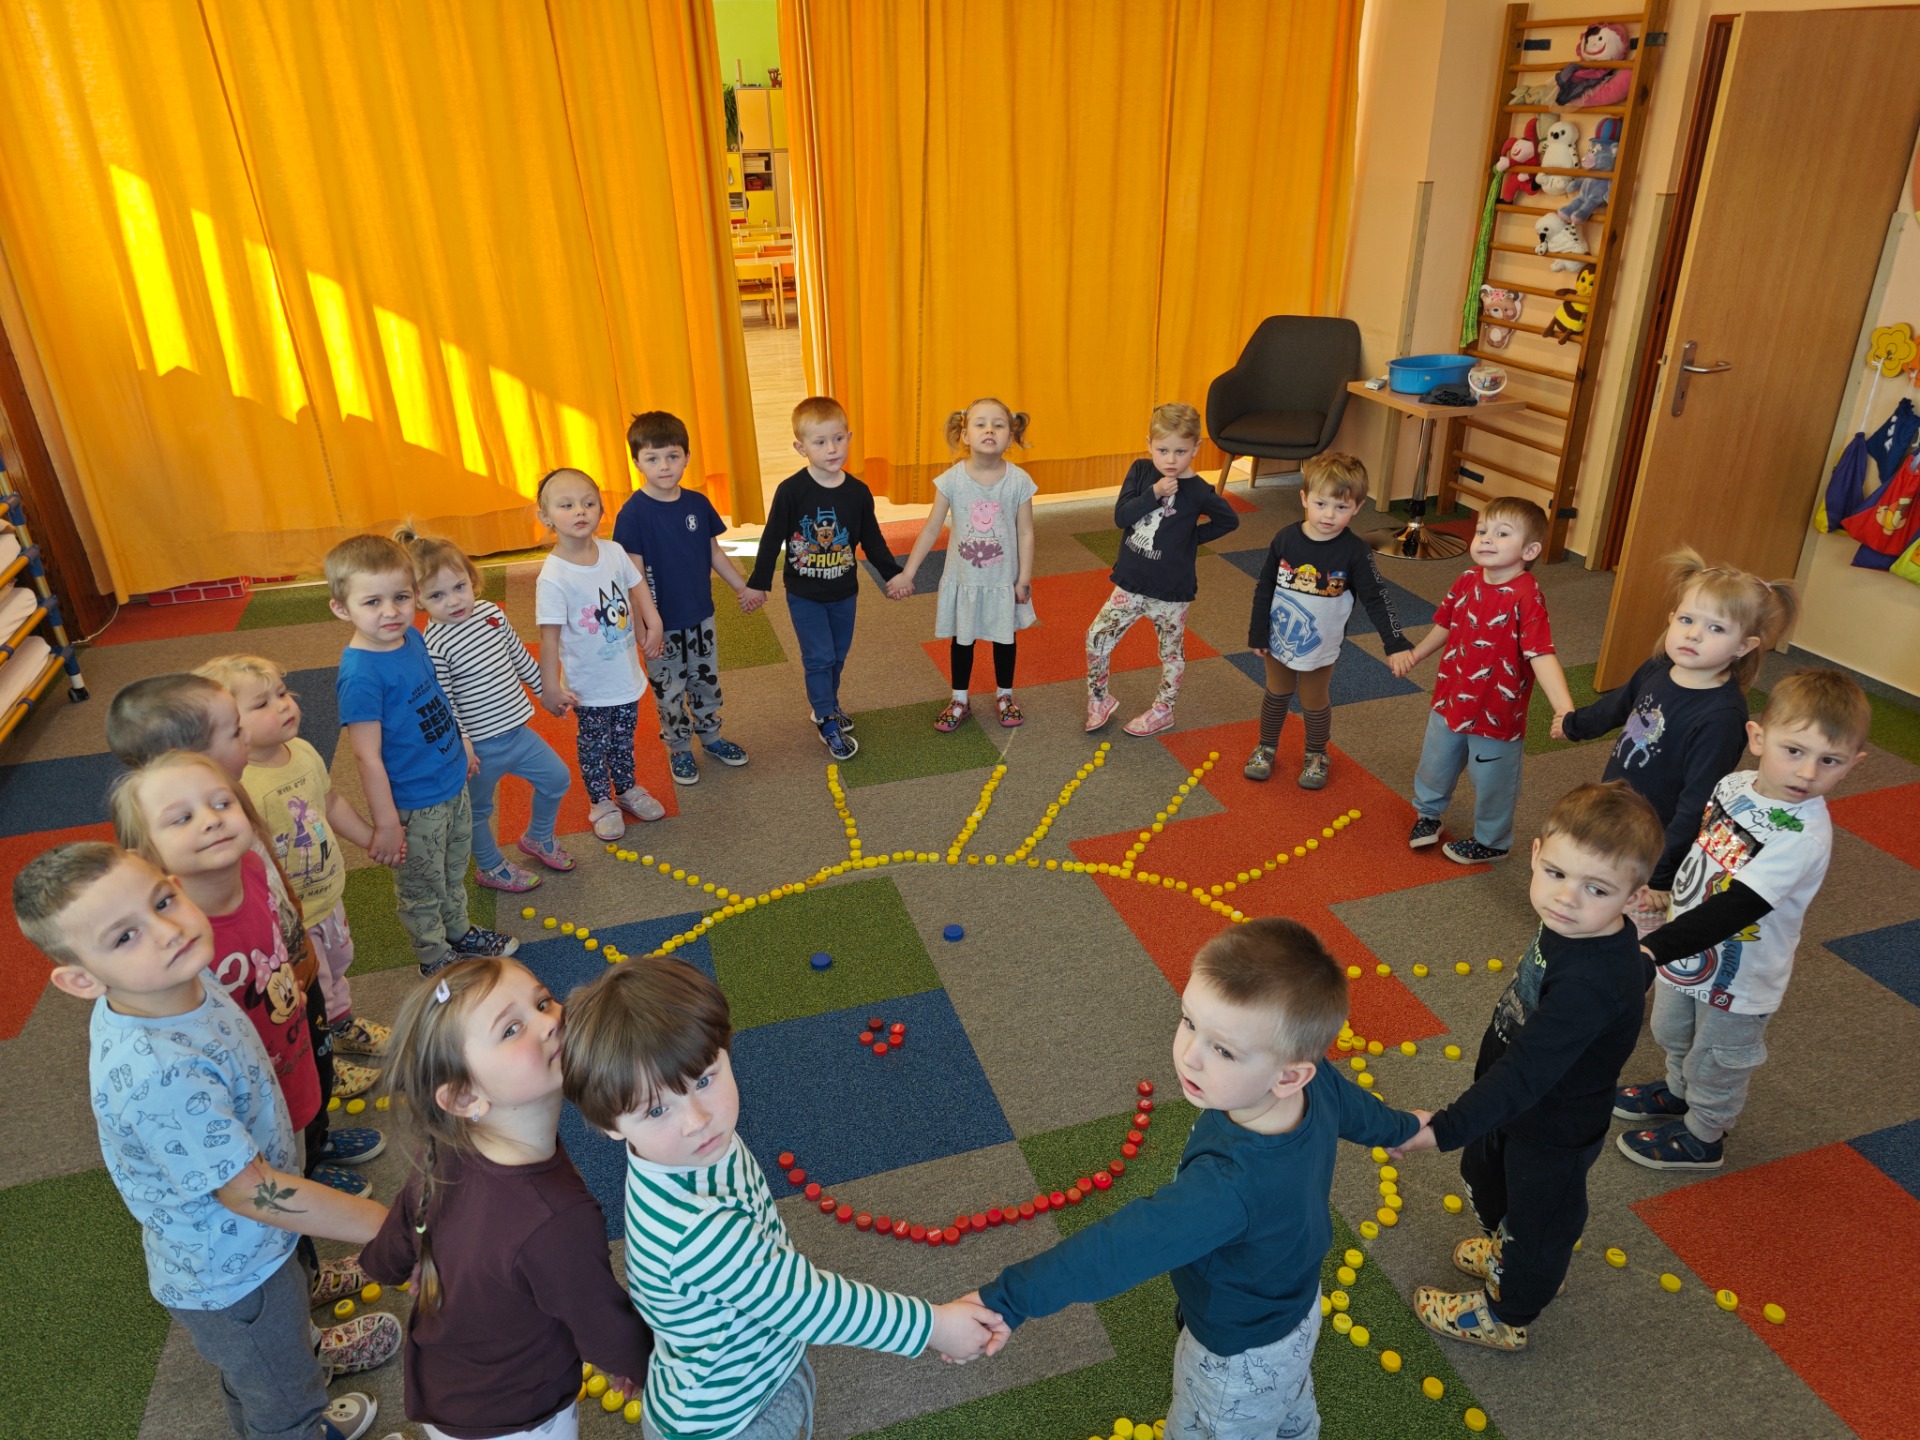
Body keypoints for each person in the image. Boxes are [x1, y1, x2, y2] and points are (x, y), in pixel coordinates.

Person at [966, 918, 1420, 1439]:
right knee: (1288, 1401)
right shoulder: (1312, 1087)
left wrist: (1005, 1300)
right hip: (1294, 1308)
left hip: (1234, 1361)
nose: (1190, 1056)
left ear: (1288, 1075)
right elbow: (1359, 1110)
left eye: (1223, 1050)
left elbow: (1121, 1247)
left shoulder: (1227, 1187)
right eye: (1188, 1022)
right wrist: (1406, 1129)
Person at [15, 843, 393, 1440]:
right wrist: (385, 1226)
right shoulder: (161, 1075)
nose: (166, 930)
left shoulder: (173, 977)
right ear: (81, 979)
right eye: (125, 936)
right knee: (283, 1405)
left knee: (265, 1373)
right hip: (235, 1271)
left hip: (250, 1246)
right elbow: (251, 1193)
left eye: (163, 901)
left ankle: (296, 1378)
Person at [561, 957, 1008, 1440]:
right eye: (656, 1111)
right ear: (610, 1125)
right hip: (733, 1421)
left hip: (748, 1366)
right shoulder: (698, 1231)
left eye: (705, 1081)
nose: (697, 1121)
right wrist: (934, 1326)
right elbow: (808, 1302)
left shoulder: (681, 1151)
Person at [1396, 781, 1664, 1352]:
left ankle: (1507, 1312)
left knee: (1538, 1225)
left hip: (1552, 1126)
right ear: (1537, 854)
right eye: (1557, 873)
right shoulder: (1577, 928)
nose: (1566, 898)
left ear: (1634, 896)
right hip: (1514, 1107)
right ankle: (1508, 1251)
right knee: (1492, 1185)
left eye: (1596, 888)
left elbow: (1528, 1071)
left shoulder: (1593, 982)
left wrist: (1442, 1128)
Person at [361, 958, 654, 1440]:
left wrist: (393, 1265)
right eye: (511, 1029)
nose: (551, 1020)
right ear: (463, 1097)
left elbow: (389, 1253)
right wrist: (643, 1366)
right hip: (519, 1417)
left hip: (442, 1387)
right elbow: (602, 1323)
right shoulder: (557, 1219)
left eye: (543, 1001)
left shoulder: (444, 1150)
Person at [1613, 669, 1869, 1170]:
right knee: (1672, 1029)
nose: (1807, 773)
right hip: (1686, 949)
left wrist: (1652, 948)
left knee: (1718, 1058)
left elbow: (1738, 907)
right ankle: (1678, 1090)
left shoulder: (1802, 836)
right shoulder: (1733, 786)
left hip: (1739, 975)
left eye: (1829, 761)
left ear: (1853, 764)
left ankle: (1704, 1133)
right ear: (1758, 738)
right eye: (1793, 750)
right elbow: (1700, 847)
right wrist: (1662, 886)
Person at [1553, 549, 1798, 933]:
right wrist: (1575, 725)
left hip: (1656, 843)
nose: (1694, 634)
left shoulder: (1721, 718)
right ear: (1671, 619)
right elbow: (1619, 704)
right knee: (1595, 889)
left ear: (1743, 646)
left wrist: (1661, 874)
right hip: (1617, 810)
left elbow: (1696, 804)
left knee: (1633, 928)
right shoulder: (1658, 668)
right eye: (1686, 620)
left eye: (1716, 629)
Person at [325, 534, 518, 975]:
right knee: (420, 885)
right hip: (414, 803)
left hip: (450, 781)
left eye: (400, 597)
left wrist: (461, 743)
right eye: (372, 602)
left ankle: (459, 931)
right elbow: (367, 758)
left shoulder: (412, 638)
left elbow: (436, 696)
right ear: (341, 608)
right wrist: (387, 823)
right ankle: (434, 957)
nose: (390, 612)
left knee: (453, 867)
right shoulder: (360, 675)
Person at [195, 655, 391, 1060]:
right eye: (262, 703)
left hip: (326, 891)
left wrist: (370, 838)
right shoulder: (235, 786)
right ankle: (321, 1053)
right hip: (287, 912)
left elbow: (329, 801)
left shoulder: (301, 751)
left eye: (283, 693)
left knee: (339, 961)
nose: (284, 705)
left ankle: (340, 1025)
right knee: (309, 982)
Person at [1399, 497, 1578, 863]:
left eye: (1502, 533)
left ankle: (1491, 841)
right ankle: (1428, 815)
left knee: (1493, 781)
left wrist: (1564, 708)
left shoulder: (1527, 595)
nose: (1486, 538)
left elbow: (1541, 654)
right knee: (1435, 763)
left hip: (1496, 713)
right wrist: (1417, 654)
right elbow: (1446, 623)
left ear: (1529, 550)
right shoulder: (1466, 579)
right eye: (1482, 530)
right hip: (1450, 699)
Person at [397, 527, 574, 893]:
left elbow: (519, 658)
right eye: (437, 595)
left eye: (459, 587)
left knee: (557, 779)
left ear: (472, 579)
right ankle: (490, 867)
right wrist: (463, 744)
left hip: (518, 735)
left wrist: (548, 692)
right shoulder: (435, 644)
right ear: (418, 600)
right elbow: (445, 703)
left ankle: (538, 837)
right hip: (479, 750)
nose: (453, 601)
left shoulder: (492, 614)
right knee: (477, 812)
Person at [743, 396, 902, 760]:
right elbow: (771, 538)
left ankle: (826, 702)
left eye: (838, 439)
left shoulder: (857, 493)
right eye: (820, 442)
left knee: (838, 655)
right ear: (801, 448)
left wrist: (892, 575)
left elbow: (872, 538)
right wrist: (758, 582)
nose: (832, 449)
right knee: (819, 657)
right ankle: (826, 719)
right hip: (805, 595)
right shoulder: (791, 491)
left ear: (849, 437)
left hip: (844, 592)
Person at [1244, 452, 1413, 788]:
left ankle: (1317, 754)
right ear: (1304, 498)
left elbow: (1376, 597)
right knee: (1277, 692)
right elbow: (1265, 587)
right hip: (1278, 636)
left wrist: (1394, 642)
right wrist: (1257, 632)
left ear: (1358, 507)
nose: (1329, 515)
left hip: (1321, 642)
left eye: (1341, 507)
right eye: (1321, 504)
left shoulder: (1354, 551)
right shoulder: (1285, 539)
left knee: (1314, 699)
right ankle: (1266, 747)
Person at [610, 410, 755, 787]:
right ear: (637, 462)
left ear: (687, 457)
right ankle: (678, 748)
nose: (664, 466)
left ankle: (711, 736)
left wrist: (741, 587)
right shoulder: (632, 514)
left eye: (672, 456)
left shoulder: (697, 504)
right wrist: (645, 625)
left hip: (700, 616)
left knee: (706, 681)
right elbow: (632, 577)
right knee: (669, 689)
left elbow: (714, 552)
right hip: (660, 625)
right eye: (652, 458)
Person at [1083, 402, 1240, 737]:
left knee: (1171, 653)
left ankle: (1163, 710)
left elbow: (1229, 520)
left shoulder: (1199, 491)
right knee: (1096, 637)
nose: (1170, 459)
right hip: (1130, 584)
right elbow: (1122, 517)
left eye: (1180, 451)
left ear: (1195, 448)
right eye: (1163, 450)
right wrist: (1154, 493)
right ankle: (1099, 699)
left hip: (1171, 592)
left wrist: (1190, 540)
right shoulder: (1141, 472)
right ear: (1149, 444)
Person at [533, 468, 669, 840]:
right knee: (595, 743)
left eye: (588, 503)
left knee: (624, 737)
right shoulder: (553, 576)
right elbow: (548, 639)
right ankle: (601, 802)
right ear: (546, 517)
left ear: (601, 508)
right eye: (566, 505)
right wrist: (549, 688)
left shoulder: (613, 552)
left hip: (624, 674)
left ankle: (626, 789)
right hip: (588, 685)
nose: (580, 511)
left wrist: (653, 622)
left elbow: (637, 587)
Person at [888, 398, 1039, 732]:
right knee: (962, 641)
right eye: (980, 424)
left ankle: (1005, 695)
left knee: (1005, 640)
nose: (990, 430)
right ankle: (959, 699)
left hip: (1002, 581)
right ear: (966, 435)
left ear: (1010, 436)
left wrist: (1023, 579)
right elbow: (931, 529)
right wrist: (908, 573)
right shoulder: (952, 480)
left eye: (998, 425)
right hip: (964, 579)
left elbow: (1026, 532)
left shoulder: (1019, 481)